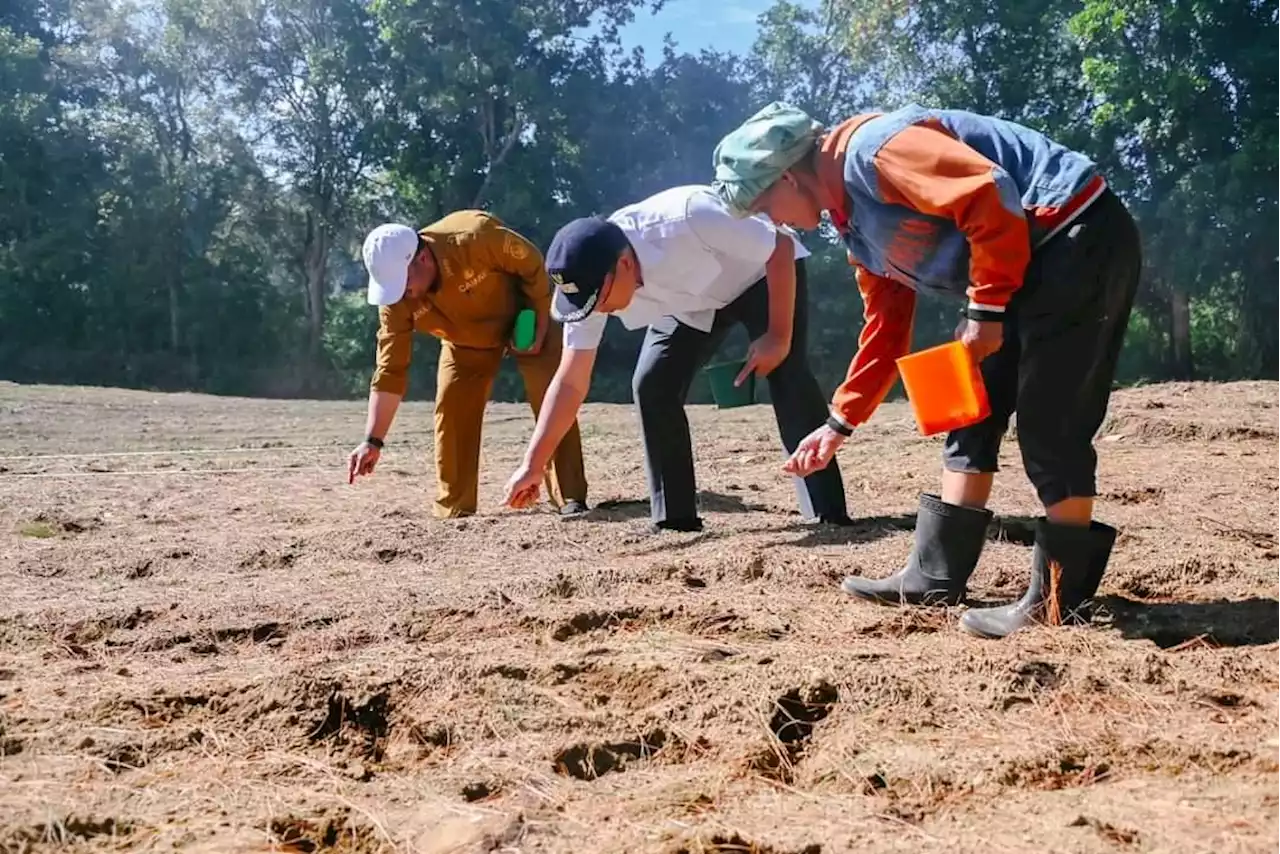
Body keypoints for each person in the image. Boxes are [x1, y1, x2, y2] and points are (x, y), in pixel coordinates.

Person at [710, 102, 1142, 639]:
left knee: (1050, 423)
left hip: (1074, 235)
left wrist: (985, 310)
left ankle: (1057, 602)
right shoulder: (855, 231)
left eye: (762, 203)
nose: (768, 218)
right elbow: (886, 330)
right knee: (968, 411)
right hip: (1014, 264)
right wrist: (838, 424)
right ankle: (934, 575)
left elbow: (988, 191)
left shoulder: (874, 151)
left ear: (789, 176)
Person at [501, 184, 851, 531]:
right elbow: (571, 380)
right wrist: (534, 463)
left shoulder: (690, 216)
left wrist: (777, 337)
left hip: (762, 275)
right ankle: (675, 518)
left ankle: (827, 514)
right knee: (653, 384)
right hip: (693, 304)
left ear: (623, 264)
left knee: (786, 370)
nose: (597, 310)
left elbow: (780, 246)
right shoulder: (589, 284)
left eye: (599, 299)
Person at [347, 211, 588, 519]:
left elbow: (532, 264)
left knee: (551, 396)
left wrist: (538, 322)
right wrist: (372, 441)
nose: (400, 292)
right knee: (451, 411)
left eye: (403, 281)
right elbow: (390, 368)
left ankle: (570, 498)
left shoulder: (475, 236)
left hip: (524, 318)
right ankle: (454, 508)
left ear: (421, 258)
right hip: (464, 343)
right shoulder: (395, 299)